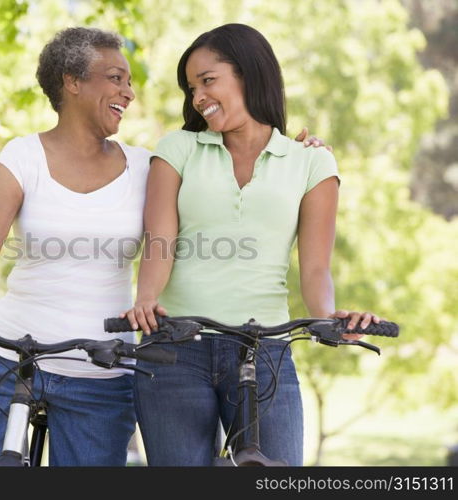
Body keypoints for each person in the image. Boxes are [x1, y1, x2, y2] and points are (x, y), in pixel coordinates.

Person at [0, 26, 326, 467]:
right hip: (7, 357)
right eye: (115, 78)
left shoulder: (144, 166)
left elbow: (204, 204)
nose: (128, 92)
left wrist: (296, 152)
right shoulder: (22, 156)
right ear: (73, 82)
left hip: (101, 369)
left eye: (130, 82)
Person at [121, 23, 382, 466]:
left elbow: (316, 267)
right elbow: (160, 240)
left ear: (249, 73)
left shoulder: (312, 161)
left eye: (208, 80)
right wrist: (146, 301)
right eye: (191, 88)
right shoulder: (178, 148)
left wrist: (328, 319)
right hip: (174, 350)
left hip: (265, 352)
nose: (198, 97)